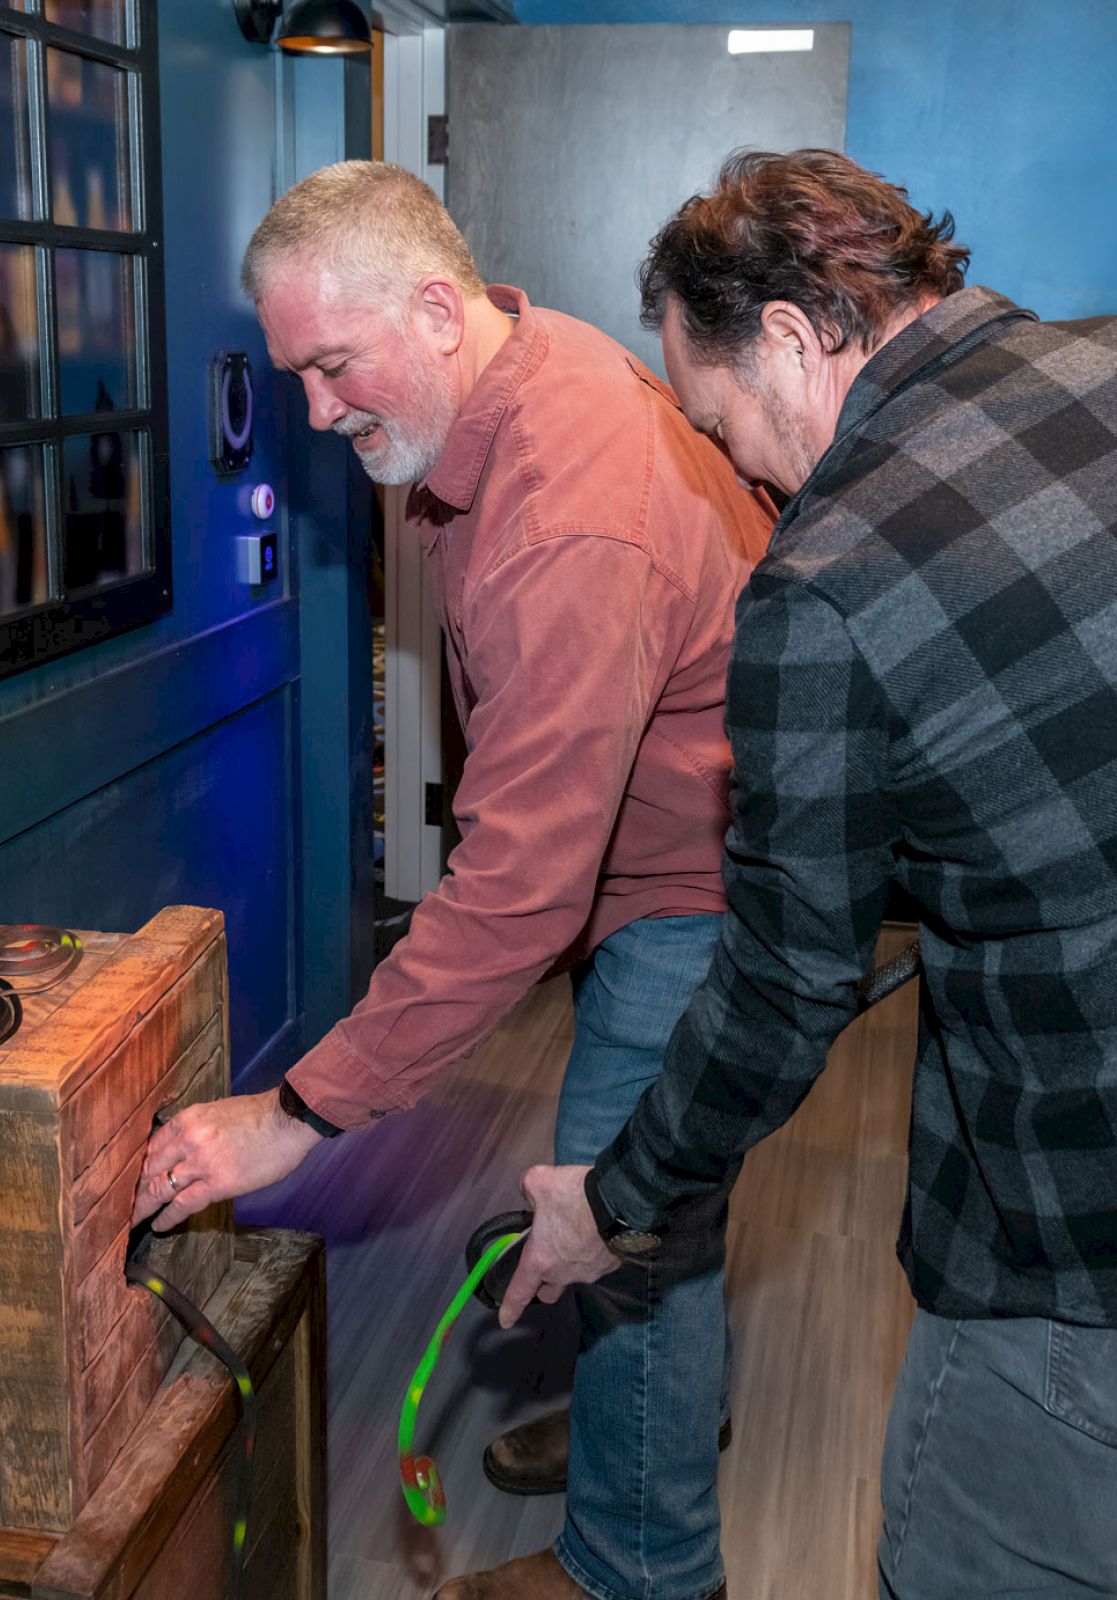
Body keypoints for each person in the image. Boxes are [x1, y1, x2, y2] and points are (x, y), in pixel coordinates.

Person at [502, 149, 1117, 1599]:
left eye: (725, 431)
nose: (745, 475)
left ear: (793, 336)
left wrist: (614, 1199)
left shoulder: (828, 587)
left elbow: (786, 990)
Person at [129, 160, 775, 1600]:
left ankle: (640, 1563)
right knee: (646, 1204)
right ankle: (643, 1432)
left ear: (435, 308)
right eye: (292, 372)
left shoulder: (566, 518)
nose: (313, 410)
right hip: (668, 848)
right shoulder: (516, 362)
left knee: (625, 1203)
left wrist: (298, 1115)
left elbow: (520, 886)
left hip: (699, 886)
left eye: (333, 364)